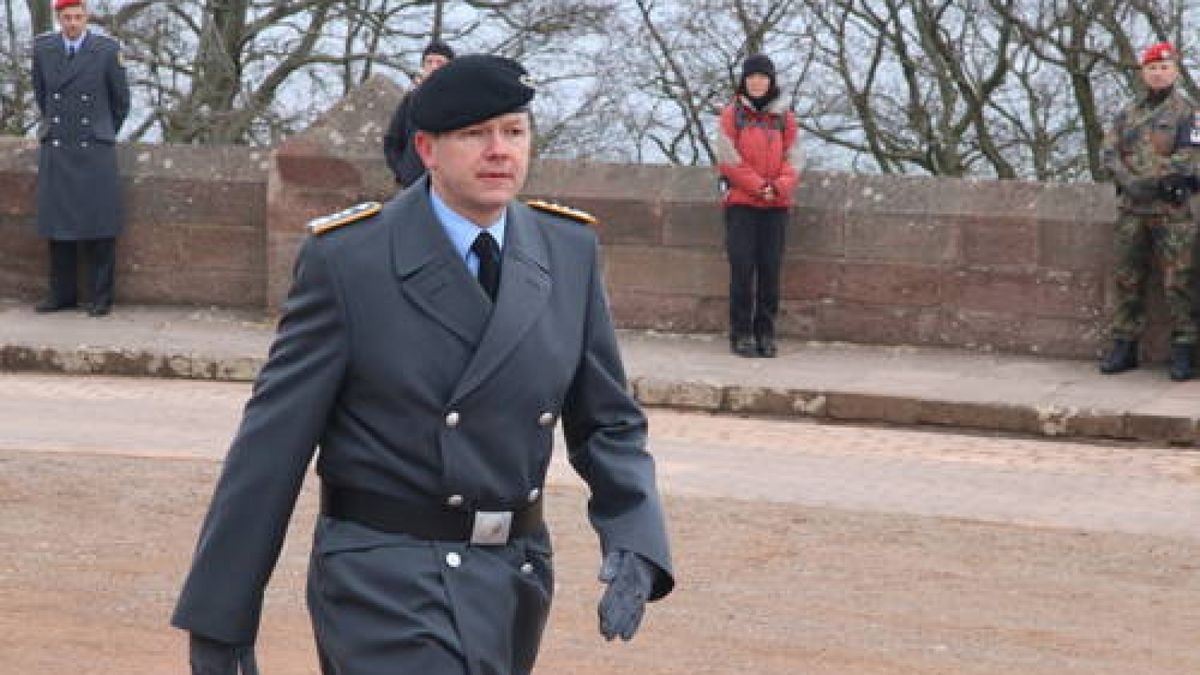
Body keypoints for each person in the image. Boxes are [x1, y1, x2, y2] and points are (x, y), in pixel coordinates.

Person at [172, 54, 674, 674]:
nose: (499, 151)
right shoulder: (350, 260)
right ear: (427, 149)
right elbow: (270, 446)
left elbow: (607, 421)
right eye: (474, 134)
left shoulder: (566, 250)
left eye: (513, 132)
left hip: (512, 575)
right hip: (381, 573)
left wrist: (635, 535)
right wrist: (221, 620)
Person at [1100, 41, 1200, 381]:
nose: (1158, 74)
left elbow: (1189, 157)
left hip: (1171, 211)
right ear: (1144, 73)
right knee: (1127, 278)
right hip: (1132, 208)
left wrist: (1149, 180)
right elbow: (1109, 151)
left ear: (1174, 71)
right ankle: (1123, 345)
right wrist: (1129, 181)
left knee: (1180, 282)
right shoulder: (1128, 112)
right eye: (1152, 68)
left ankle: (1185, 350)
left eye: (1164, 68)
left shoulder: (1188, 113)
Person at [30, 0, 130, 317]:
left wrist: (101, 131)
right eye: (66, 18)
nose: (72, 23)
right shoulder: (44, 49)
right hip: (58, 146)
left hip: (94, 148)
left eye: (78, 17)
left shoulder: (106, 49)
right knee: (58, 225)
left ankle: (101, 297)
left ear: (86, 17)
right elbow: (41, 93)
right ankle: (61, 294)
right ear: (58, 19)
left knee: (99, 225)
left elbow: (121, 101)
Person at [715, 52, 804, 358]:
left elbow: (795, 159)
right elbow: (727, 159)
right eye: (752, 77)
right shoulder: (732, 114)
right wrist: (758, 187)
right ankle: (741, 334)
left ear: (771, 81)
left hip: (775, 207)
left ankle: (765, 332)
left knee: (770, 270)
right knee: (742, 269)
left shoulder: (786, 118)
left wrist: (777, 188)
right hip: (741, 204)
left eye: (762, 77)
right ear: (744, 80)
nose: (757, 82)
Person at [383, 40, 455, 187]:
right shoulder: (410, 100)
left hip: (450, 185)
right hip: (413, 184)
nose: (434, 67)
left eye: (440, 62)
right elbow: (392, 141)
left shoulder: (461, 101)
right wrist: (403, 172)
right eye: (429, 62)